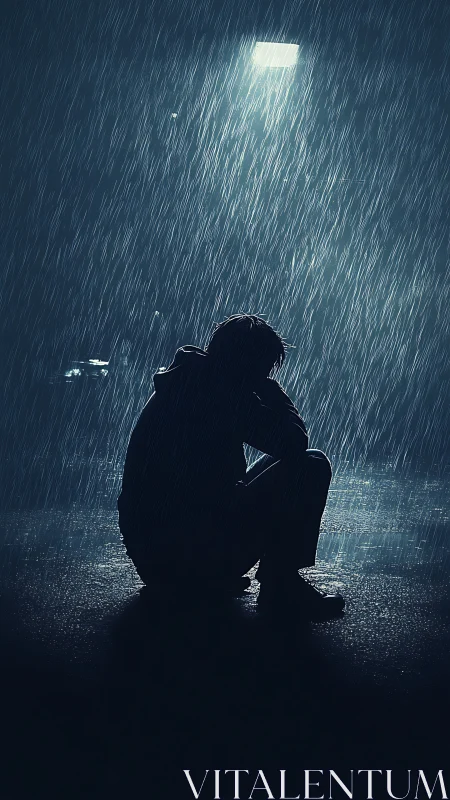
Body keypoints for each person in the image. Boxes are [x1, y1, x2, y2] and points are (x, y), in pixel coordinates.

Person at [118, 314, 344, 617]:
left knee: (281, 464)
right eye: (262, 369)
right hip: (185, 559)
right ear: (247, 363)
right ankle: (281, 586)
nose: (262, 378)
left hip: (157, 556)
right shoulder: (219, 394)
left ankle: (207, 580)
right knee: (310, 465)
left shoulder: (191, 380)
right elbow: (294, 443)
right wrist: (275, 394)